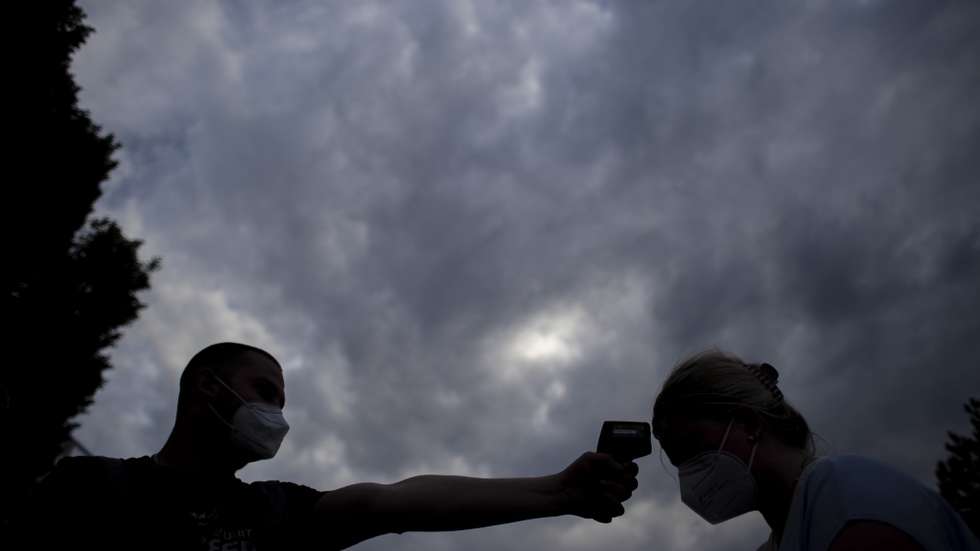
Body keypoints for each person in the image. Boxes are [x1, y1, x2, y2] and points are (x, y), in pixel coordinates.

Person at [20, 342, 638, 550]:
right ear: (206, 387)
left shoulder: (271, 513)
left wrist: (559, 493)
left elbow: (390, 504)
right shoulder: (89, 488)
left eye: (282, 402)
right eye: (264, 391)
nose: (276, 415)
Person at [651, 349, 979, 551]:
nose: (689, 474)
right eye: (679, 462)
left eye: (692, 449)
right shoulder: (790, 531)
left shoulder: (851, 499)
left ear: (750, 425)